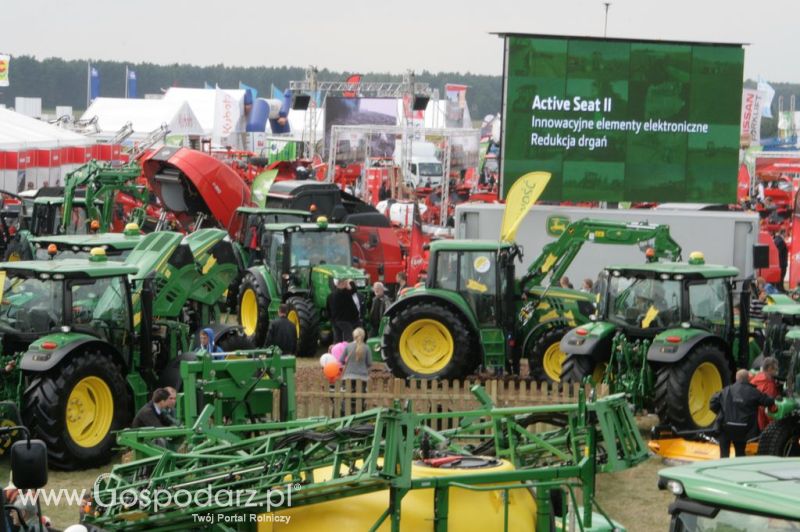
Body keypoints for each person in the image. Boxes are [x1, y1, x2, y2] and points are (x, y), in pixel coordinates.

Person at [710, 369, 775, 458]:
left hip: (725, 428)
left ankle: (723, 469)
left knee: (724, 455)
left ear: (736, 378)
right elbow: (768, 401)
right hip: (743, 429)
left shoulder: (726, 390)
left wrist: (722, 411)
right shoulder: (753, 392)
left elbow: (712, 403)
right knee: (740, 454)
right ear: (748, 379)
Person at [341, 327, 371, 413]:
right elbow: (369, 363)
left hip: (348, 377)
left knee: (347, 396)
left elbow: (341, 360)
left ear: (353, 336)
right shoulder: (366, 347)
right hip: (362, 378)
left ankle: (346, 412)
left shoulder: (348, 346)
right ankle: (359, 413)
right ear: (364, 336)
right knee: (360, 397)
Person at [750, 357, 781, 431]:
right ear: (770, 368)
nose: (777, 371)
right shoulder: (768, 384)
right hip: (763, 422)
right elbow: (768, 407)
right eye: (776, 369)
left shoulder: (756, 379)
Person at [328, 278, 359, 343]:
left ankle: (336, 351)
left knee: (337, 339)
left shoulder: (331, 295)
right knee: (349, 338)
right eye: (344, 282)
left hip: (336, 321)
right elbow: (354, 290)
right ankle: (347, 351)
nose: (346, 283)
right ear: (340, 283)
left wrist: (332, 320)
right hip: (345, 321)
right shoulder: (344, 293)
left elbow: (328, 310)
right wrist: (350, 282)